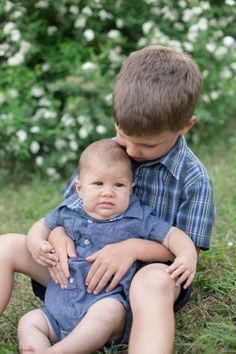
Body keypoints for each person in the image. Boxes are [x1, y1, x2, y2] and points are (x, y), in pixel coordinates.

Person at [0, 45, 215, 354]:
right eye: (123, 135)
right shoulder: (106, 153)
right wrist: (56, 237)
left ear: (186, 126)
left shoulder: (193, 179)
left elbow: (185, 253)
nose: (130, 151)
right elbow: (67, 210)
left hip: (137, 282)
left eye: (146, 144)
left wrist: (131, 249)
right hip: (78, 270)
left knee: (152, 282)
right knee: (6, 245)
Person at [17, 139, 197, 354]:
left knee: (107, 312)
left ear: (131, 190)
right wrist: (36, 241)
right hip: (59, 309)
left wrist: (186, 253)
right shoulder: (69, 210)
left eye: (118, 185)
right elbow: (41, 226)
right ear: (80, 188)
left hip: (105, 302)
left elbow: (173, 235)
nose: (108, 192)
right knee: (29, 322)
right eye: (98, 184)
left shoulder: (138, 217)